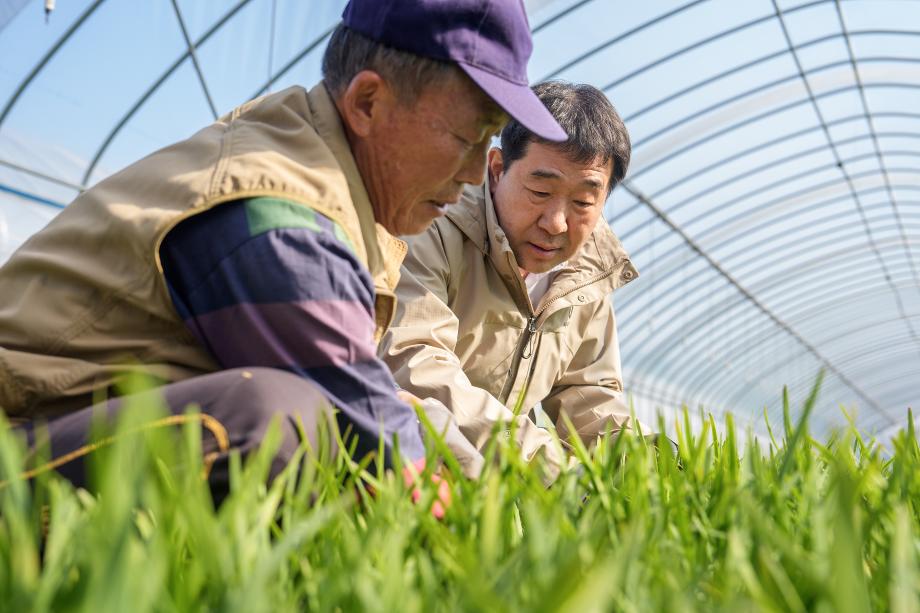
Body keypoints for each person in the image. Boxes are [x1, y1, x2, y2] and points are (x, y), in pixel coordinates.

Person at [0, 0, 565, 499]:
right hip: (16, 441)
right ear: (368, 102)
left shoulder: (321, 174)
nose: (474, 173)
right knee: (279, 418)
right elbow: (375, 432)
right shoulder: (278, 213)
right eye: (467, 138)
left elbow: (376, 398)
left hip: (67, 432)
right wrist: (486, 539)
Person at [381, 80, 648, 479]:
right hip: (404, 457)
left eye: (582, 202)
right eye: (540, 191)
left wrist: (640, 463)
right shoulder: (432, 227)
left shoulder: (584, 276)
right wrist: (543, 464)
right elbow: (416, 364)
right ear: (496, 169)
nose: (556, 223)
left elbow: (588, 393)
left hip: (496, 478)